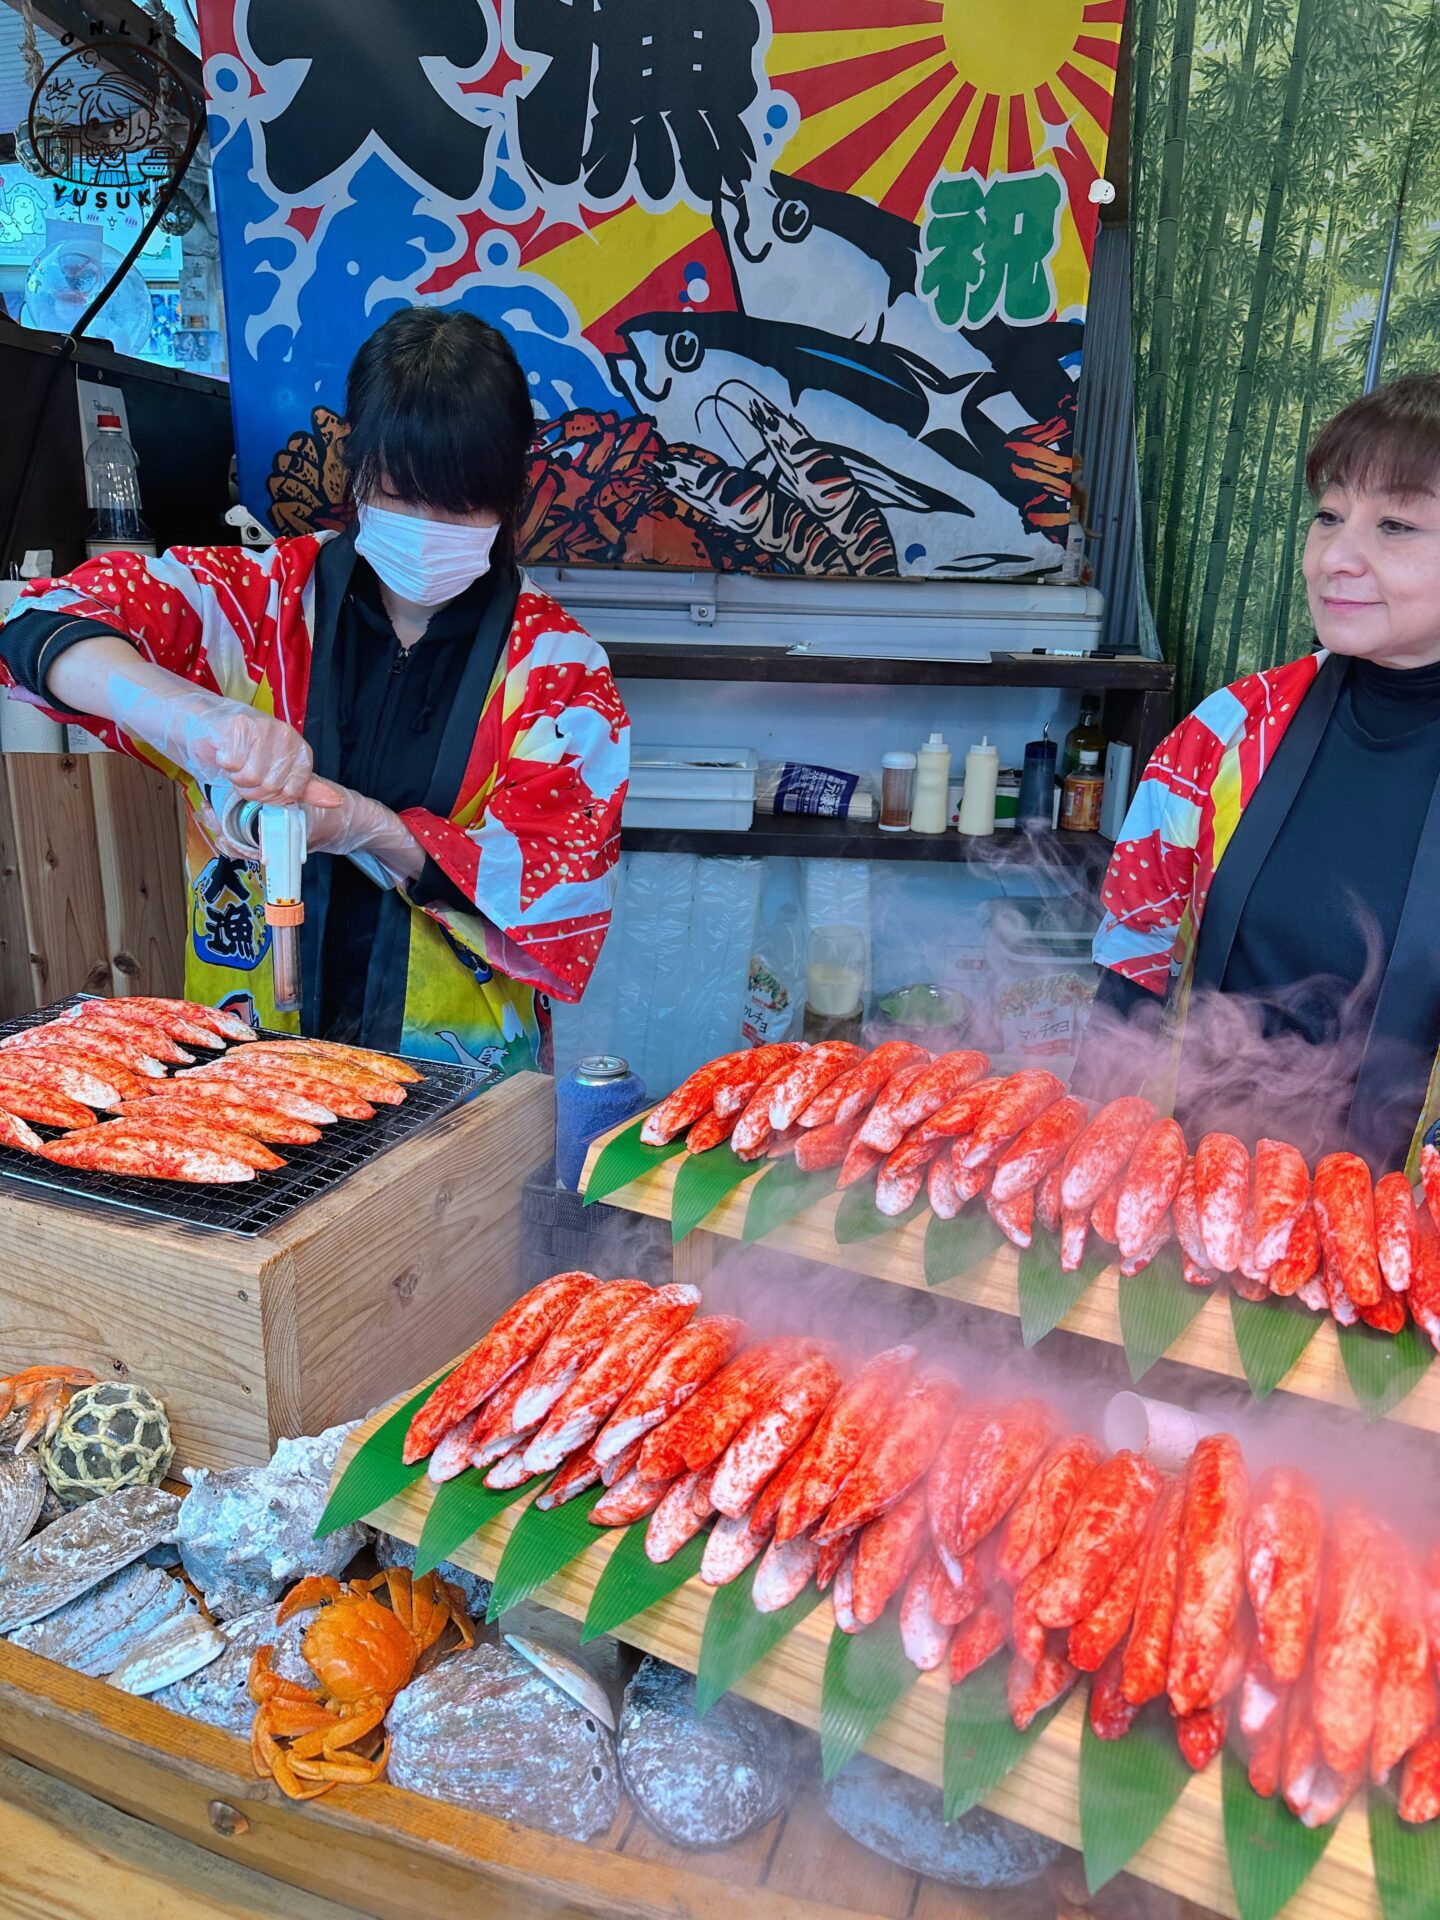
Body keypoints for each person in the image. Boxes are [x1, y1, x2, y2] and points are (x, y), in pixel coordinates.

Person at [0, 308, 630, 1073]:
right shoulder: (254, 602)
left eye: (459, 503)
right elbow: (41, 621)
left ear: (510, 495)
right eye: (398, 494)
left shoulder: (558, 672)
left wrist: (367, 826)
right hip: (248, 1058)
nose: (426, 524)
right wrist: (193, 715)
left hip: (457, 1081)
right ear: (357, 473)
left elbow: (563, 893)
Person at [1078, 373, 1440, 1177]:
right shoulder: (1230, 730)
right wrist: (1096, 1163)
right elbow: (1134, 966)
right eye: (1329, 516)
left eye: (1395, 526)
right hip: (1196, 1198)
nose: (1336, 559)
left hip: (1406, 1247)